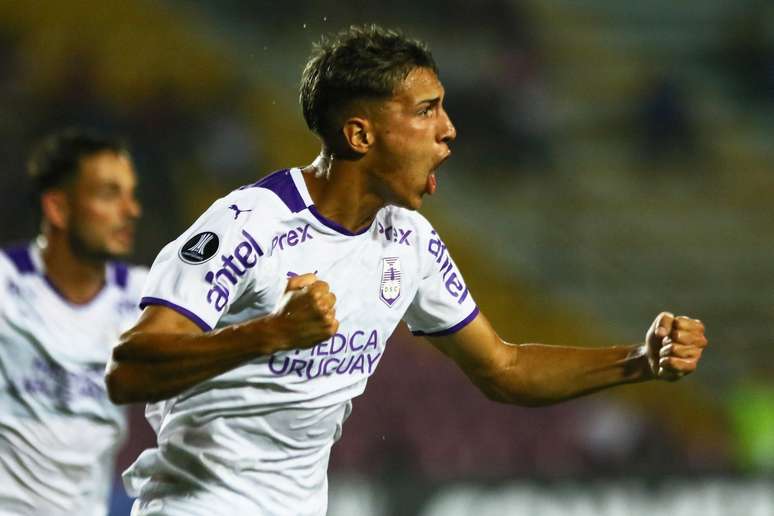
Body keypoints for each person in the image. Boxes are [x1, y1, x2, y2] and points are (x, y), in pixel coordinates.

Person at [107, 25, 708, 516]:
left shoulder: (408, 241)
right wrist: (270, 334)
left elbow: (505, 367)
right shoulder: (249, 227)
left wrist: (639, 361)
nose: (449, 131)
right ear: (360, 133)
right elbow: (129, 369)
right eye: (426, 111)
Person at [0, 128, 146, 515]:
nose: (131, 210)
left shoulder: (145, 296)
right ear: (58, 209)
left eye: (131, 194)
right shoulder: (5, 285)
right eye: (110, 194)